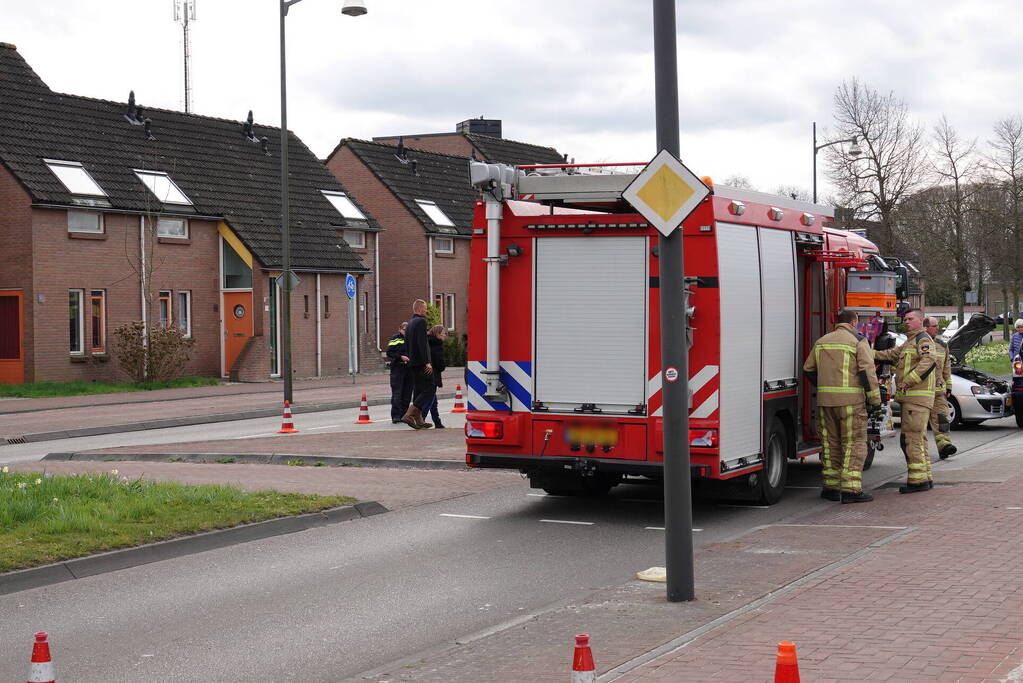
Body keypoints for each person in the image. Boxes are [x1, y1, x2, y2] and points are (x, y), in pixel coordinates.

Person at [803, 310, 882, 504]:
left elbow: (808, 369)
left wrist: (823, 387)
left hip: (825, 402)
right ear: (853, 322)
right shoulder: (858, 341)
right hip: (851, 403)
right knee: (853, 444)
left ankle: (831, 487)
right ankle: (851, 489)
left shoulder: (822, 341)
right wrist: (875, 401)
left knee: (830, 445)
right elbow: (867, 373)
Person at [874, 308, 937, 494]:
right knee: (919, 438)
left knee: (911, 439)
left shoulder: (923, 339)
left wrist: (908, 382)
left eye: (910, 319)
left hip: (916, 398)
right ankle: (925, 477)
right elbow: (891, 355)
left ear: (920, 321)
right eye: (905, 319)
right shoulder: (910, 341)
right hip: (914, 399)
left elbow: (929, 360)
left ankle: (917, 482)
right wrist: (868, 353)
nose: (906, 322)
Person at [924, 316, 957, 459]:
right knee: (918, 425)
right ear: (926, 328)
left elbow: (946, 368)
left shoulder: (943, 346)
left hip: (938, 392)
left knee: (942, 421)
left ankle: (944, 446)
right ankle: (919, 452)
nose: (937, 328)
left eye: (937, 326)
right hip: (921, 393)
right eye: (934, 326)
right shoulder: (918, 343)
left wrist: (948, 386)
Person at [400, 299, 434, 430]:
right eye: (425, 308)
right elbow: (422, 343)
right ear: (420, 309)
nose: (426, 311)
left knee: (419, 390)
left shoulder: (410, 323)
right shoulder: (420, 322)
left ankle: (419, 419)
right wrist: (427, 362)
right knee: (429, 388)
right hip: (421, 363)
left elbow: (407, 343)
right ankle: (409, 414)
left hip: (412, 362)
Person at [420, 325, 448, 428]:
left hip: (425, 374)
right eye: (444, 333)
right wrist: (442, 366)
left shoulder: (427, 343)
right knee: (429, 399)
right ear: (438, 334)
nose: (445, 335)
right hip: (433, 376)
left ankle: (437, 422)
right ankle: (421, 419)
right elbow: (440, 363)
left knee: (433, 401)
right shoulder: (437, 345)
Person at [386, 322, 413, 424]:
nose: (406, 332)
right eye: (405, 330)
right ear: (400, 329)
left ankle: (404, 415)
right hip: (398, 369)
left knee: (407, 393)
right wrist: (400, 357)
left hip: (409, 369)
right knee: (397, 393)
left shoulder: (412, 339)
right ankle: (396, 416)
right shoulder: (395, 339)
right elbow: (389, 352)